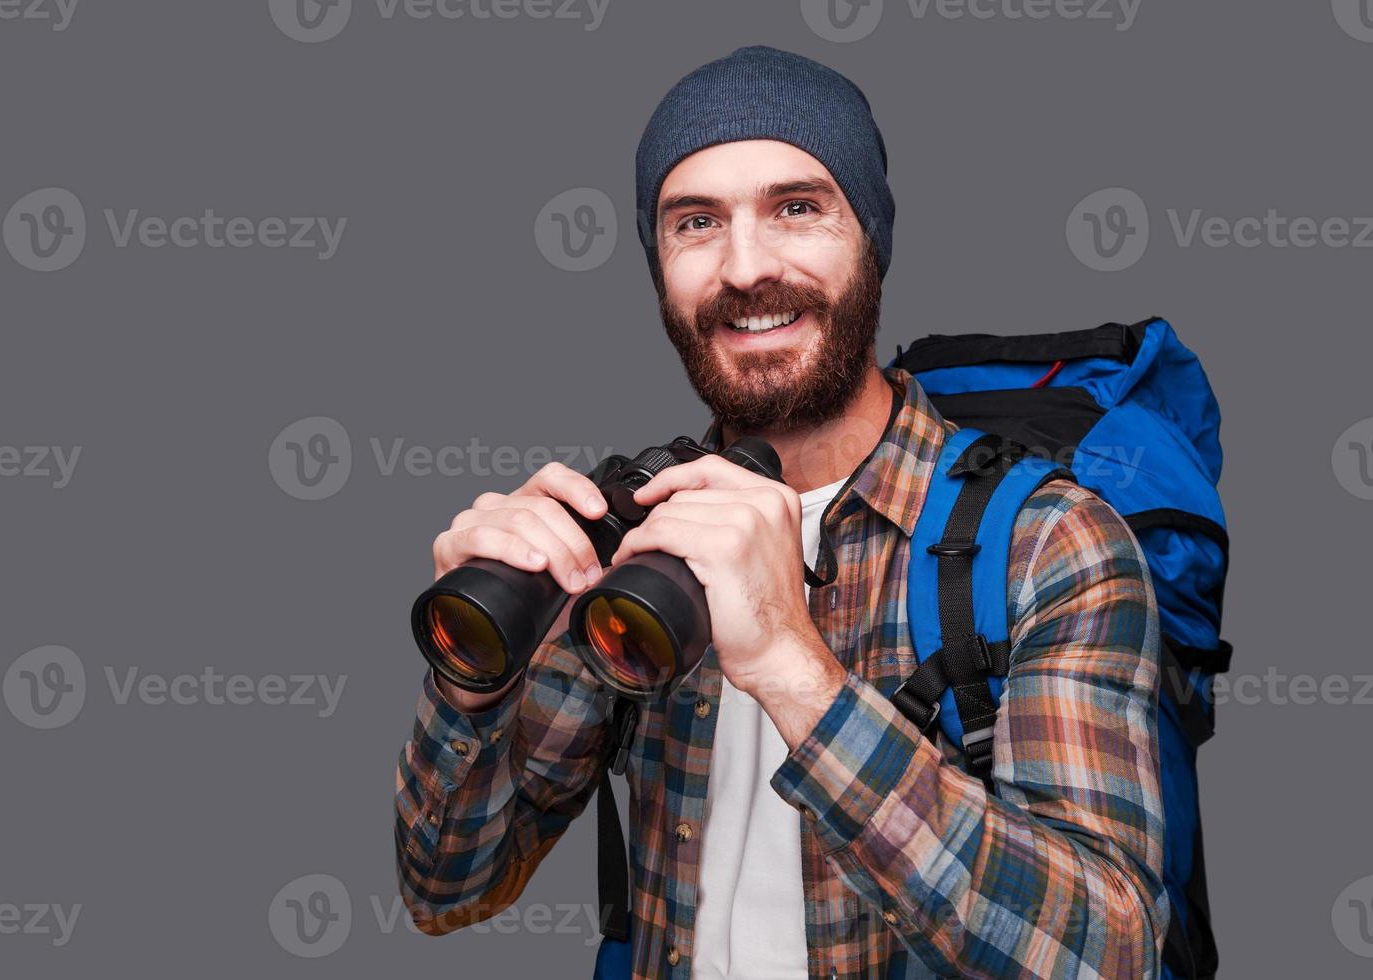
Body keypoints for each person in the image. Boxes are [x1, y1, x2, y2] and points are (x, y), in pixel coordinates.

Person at [395, 45, 1168, 979]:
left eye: (796, 207)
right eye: (695, 223)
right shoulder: (633, 537)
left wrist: (794, 671)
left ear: (869, 239)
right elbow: (446, 888)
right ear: (659, 268)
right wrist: (472, 681)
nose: (745, 267)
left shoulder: (1048, 544)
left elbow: (1109, 956)